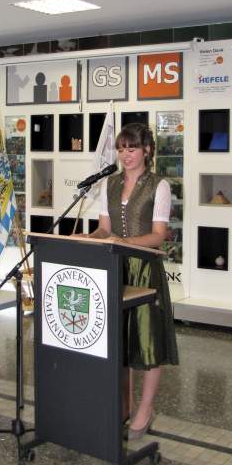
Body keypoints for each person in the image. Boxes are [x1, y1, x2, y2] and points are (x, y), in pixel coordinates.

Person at [87, 122, 179, 439]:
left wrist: (123, 241)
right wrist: (86, 238)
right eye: (121, 149)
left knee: (148, 340)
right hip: (115, 267)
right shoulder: (109, 184)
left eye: (132, 148)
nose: (125, 155)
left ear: (147, 150)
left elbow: (157, 236)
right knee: (119, 340)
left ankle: (146, 408)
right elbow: (104, 228)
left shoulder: (159, 186)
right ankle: (123, 404)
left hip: (144, 269)